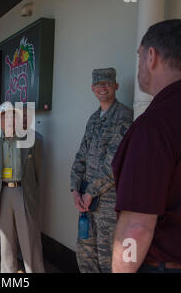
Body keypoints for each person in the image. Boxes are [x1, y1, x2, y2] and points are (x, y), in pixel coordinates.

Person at [111, 19, 181, 273]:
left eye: (140, 56)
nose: (140, 63)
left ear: (151, 57)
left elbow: (136, 228)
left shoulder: (154, 127)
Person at [70, 68, 133, 273]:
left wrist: (90, 192)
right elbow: (81, 156)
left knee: (108, 258)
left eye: (107, 83)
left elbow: (114, 162)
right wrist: (75, 190)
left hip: (108, 203)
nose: (102, 88)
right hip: (86, 202)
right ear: (92, 88)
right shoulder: (94, 118)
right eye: (98, 85)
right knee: (86, 254)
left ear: (116, 86)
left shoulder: (124, 116)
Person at [0, 103, 45, 273]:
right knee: (5, 242)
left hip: (24, 192)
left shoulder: (34, 140)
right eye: (5, 117)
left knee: (30, 240)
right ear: (0, 122)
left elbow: (37, 172)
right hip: (3, 193)